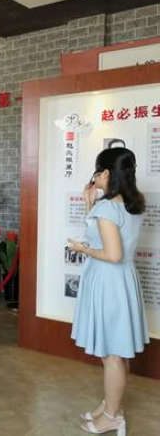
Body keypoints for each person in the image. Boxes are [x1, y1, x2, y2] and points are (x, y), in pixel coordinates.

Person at [68, 147, 148, 435]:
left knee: (112, 355)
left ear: (106, 173)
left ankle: (113, 416)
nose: (95, 178)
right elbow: (106, 239)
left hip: (108, 282)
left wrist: (83, 249)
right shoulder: (131, 204)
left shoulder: (107, 208)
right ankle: (111, 404)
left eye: (97, 172)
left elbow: (111, 254)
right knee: (118, 351)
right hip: (123, 280)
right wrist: (90, 205)